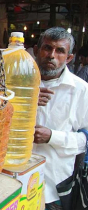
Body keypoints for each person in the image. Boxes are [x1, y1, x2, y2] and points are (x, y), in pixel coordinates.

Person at [33, 27, 88, 210]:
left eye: (60, 51)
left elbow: (84, 140)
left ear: (69, 58)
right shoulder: (16, 84)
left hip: (54, 185)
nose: (52, 55)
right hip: (15, 178)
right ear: (36, 50)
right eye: (47, 48)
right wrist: (25, 99)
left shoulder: (80, 90)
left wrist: (52, 136)